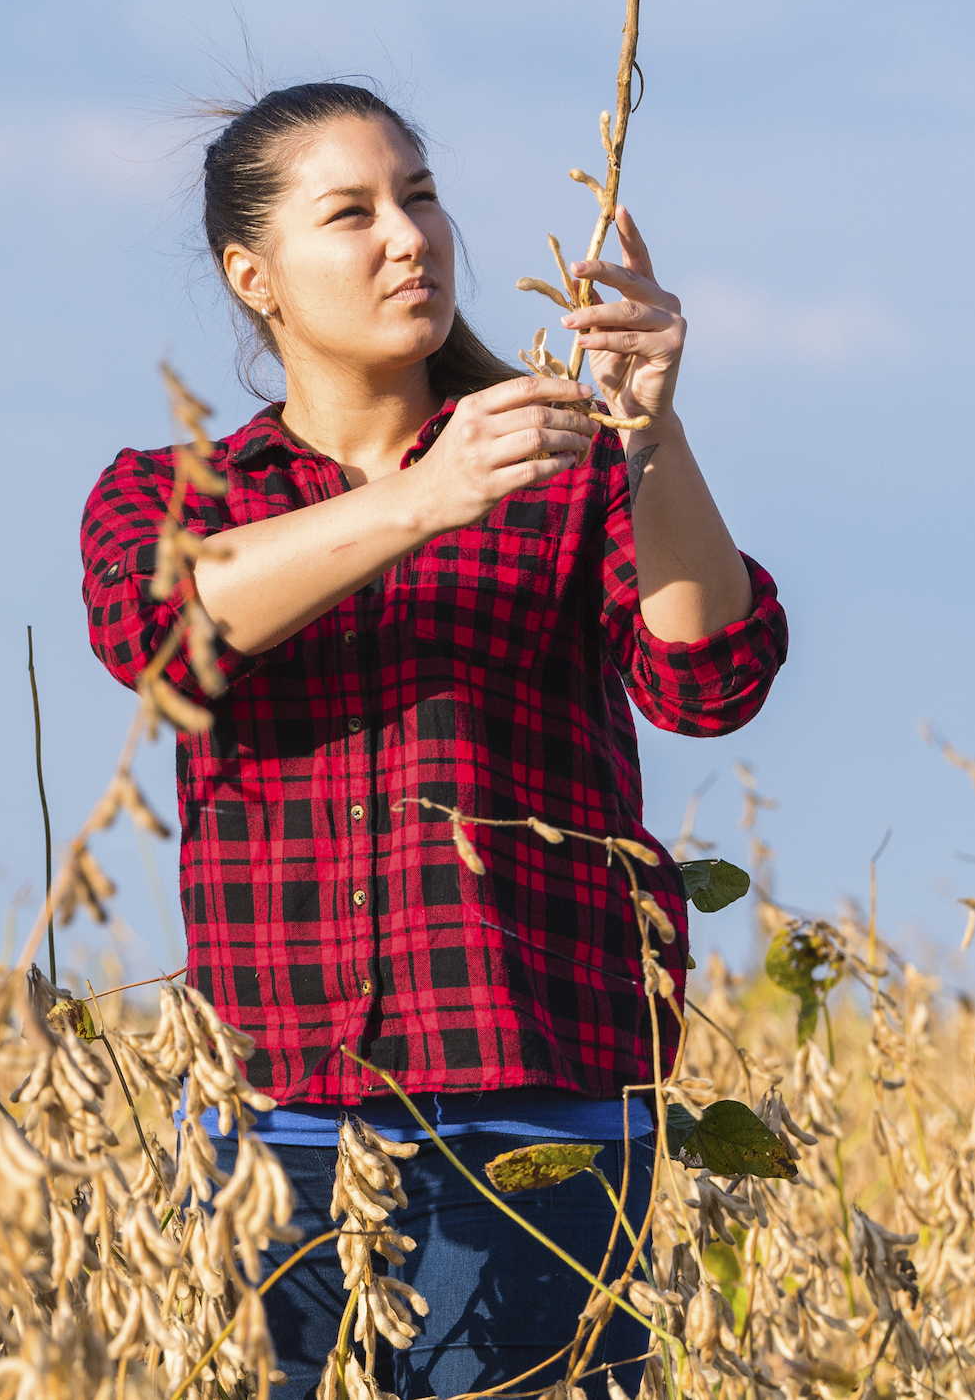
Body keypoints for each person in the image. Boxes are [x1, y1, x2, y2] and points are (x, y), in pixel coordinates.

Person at [78, 82, 787, 1397]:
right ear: (257, 278)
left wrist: (651, 431)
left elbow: (710, 681)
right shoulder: (175, 494)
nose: (409, 236)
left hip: (534, 1118)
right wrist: (425, 500)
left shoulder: (562, 466)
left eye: (419, 196)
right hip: (272, 1123)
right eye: (351, 213)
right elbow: (164, 628)